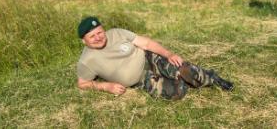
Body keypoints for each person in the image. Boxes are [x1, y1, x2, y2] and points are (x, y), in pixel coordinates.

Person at [76, 16, 234, 100]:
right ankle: (181, 81)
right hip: (140, 79)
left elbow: (145, 42)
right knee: (176, 92)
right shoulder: (86, 61)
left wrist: (168, 54)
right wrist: (106, 87)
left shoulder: (117, 33)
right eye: (92, 36)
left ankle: (212, 78)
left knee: (186, 71)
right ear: (84, 40)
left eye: (100, 32)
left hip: (150, 59)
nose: (98, 37)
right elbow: (82, 83)